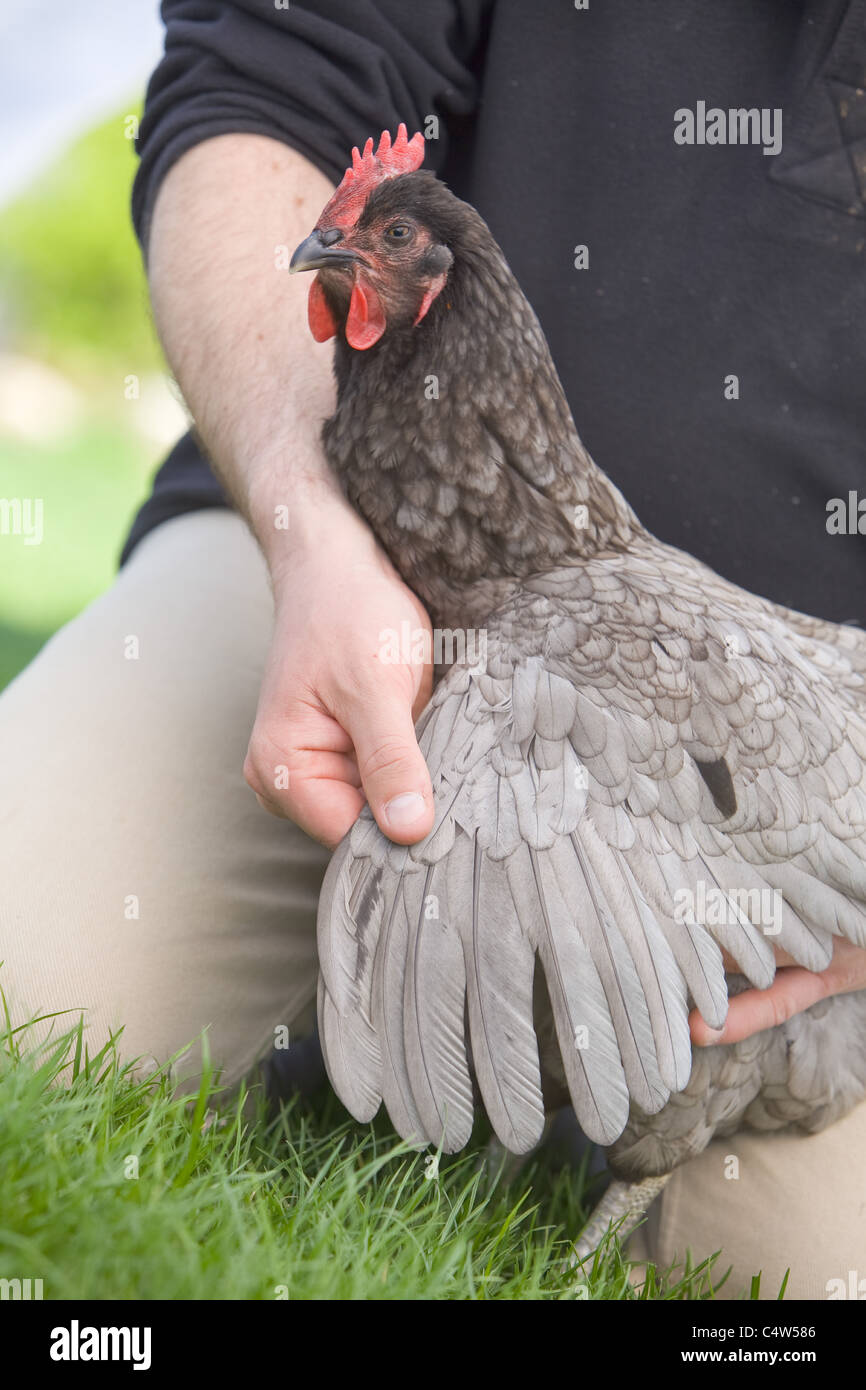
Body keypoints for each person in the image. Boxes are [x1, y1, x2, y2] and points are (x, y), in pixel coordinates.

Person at [2, 0, 865, 1298]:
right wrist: (310, 532)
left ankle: (514, 1092)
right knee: (30, 978)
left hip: (809, 750)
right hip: (335, 552)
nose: (340, 251)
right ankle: (392, 1044)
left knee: (794, 1282)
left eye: (382, 236)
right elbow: (257, 90)